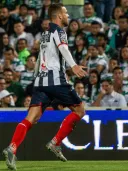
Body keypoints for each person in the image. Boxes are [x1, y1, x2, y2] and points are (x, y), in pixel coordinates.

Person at [2, 3, 87, 170]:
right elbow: (63, 49)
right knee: (80, 110)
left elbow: (41, 58)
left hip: (40, 82)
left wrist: (36, 79)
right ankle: (55, 142)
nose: (68, 15)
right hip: (56, 80)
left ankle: (12, 147)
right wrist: (74, 65)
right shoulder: (59, 31)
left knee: (31, 118)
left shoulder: (45, 34)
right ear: (59, 16)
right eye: (66, 12)